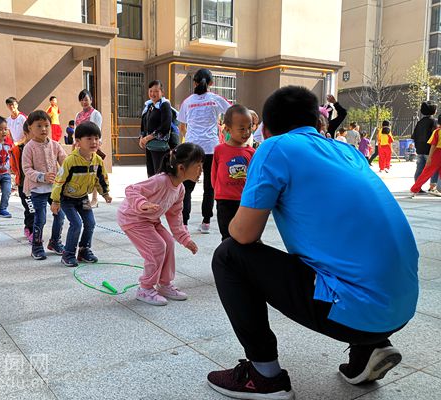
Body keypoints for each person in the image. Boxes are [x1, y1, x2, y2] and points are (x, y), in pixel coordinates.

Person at [207, 86, 418, 399]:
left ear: (265, 130)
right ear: (319, 124)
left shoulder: (274, 147)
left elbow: (243, 234)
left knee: (228, 255)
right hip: (403, 305)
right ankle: (370, 348)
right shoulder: (348, 151)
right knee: (345, 257)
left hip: (360, 312)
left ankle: (264, 375)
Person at [117, 143, 202, 306]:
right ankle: (145, 288)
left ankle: (164, 284)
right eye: (198, 166)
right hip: (132, 218)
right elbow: (131, 190)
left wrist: (185, 239)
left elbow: (175, 217)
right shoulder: (160, 180)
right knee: (157, 247)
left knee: (169, 242)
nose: (201, 170)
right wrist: (143, 204)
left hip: (150, 219)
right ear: (182, 168)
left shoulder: (180, 189)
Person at [50, 122, 112, 267]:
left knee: (90, 222)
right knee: (76, 224)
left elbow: (101, 178)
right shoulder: (70, 161)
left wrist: (105, 193)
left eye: (96, 138)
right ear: (78, 141)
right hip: (67, 199)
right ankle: (68, 254)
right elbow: (59, 181)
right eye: (89, 138)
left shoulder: (97, 160)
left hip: (83, 198)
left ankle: (84, 250)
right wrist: (55, 201)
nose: (94, 142)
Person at [178, 68, 231, 233]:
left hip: (192, 149)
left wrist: (190, 137)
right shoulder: (216, 99)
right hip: (211, 148)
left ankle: (184, 223)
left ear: (194, 83)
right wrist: (224, 129)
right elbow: (233, 112)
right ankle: (206, 222)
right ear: (211, 83)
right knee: (209, 187)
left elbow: (181, 126)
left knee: (187, 187)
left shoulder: (187, 101)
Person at [22, 111, 67, 260]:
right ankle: (37, 246)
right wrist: (42, 176)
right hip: (37, 189)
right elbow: (27, 169)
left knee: (60, 215)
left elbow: (66, 161)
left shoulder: (55, 145)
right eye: (39, 126)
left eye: (46, 125)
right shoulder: (29, 147)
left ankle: (55, 241)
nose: (43, 129)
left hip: (54, 189)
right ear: (30, 128)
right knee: (40, 218)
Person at [211, 105, 255, 241]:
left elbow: (254, 178)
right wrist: (218, 192)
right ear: (228, 129)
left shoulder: (251, 153)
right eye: (242, 129)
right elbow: (214, 175)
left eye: (249, 127)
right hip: (224, 200)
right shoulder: (219, 150)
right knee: (227, 235)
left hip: (244, 201)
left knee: (245, 235)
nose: (247, 132)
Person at [75, 89, 105, 207]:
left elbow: (97, 132)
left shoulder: (95, 114)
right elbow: (76, 132)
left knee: (94, 172)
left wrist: (95, 145)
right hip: (80, 147)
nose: (84, 102)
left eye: (86, 99)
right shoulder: (78, 115)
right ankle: (83, 197)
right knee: (82, 173)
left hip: (92, 147)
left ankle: (95, 198)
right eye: (82, 100)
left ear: (91, 100)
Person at [139, 80, 174, 177]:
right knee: (151, 175)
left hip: (160, 148)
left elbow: (165, 127)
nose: (152, 94)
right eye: (150, 91)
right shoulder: (149, 106)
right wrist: (141, 137)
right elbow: (144, 124)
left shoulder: (165, 105)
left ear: (162, 92)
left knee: (159, 175)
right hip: (149, 146)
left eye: (156, 91)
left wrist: (147, 138)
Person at [10, 122, 35, 242]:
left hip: (39, 185)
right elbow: (14, 167)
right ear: (26, 133)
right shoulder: (18, 149)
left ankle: (28, 227)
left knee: (35, 210)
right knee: (31, 209)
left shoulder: (41, 147)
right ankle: (31, 230)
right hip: (24, 185)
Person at [411, 101, 439, 192]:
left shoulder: (419, 122)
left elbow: (414, 136)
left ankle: (417, 186)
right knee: (433, 169)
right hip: (429, 150)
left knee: (419, 169)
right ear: (433, 111)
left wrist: (417, 146)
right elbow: (435, 137)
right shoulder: (434, 122)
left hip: (420, 149)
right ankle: (432, 187)